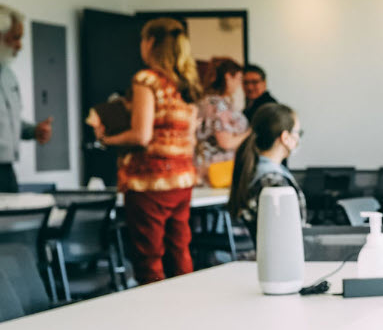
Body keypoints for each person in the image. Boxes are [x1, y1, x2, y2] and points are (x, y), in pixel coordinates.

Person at [89, 18, 199, 284]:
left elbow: (141, 135)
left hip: (150, 182)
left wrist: (107, 139)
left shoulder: (147, 79)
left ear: (151, 42)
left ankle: (156, 317)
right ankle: (188, 310)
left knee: (149, 257)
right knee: (179, 251)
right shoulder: (187, 86)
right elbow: (191, 139)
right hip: (183, 180)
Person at [227, 103, 305, 234]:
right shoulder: (273, 181)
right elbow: (286, 234)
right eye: (298, 132)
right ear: (285, 137)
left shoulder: (257, 170)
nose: (298, 137)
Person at [0, 5, 53, 192]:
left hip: (6, 170)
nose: (20, 45)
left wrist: (33, 130)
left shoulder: (8, 75)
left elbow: (8, 121)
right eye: (15, 38)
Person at [195, 57, 250, 186]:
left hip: (209, 168)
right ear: (228, 77)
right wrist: (250, 133)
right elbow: (226, 142)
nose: (239, 85)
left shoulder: (206, 102)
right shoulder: (218, 105)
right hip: (218, 171)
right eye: (239, 79)